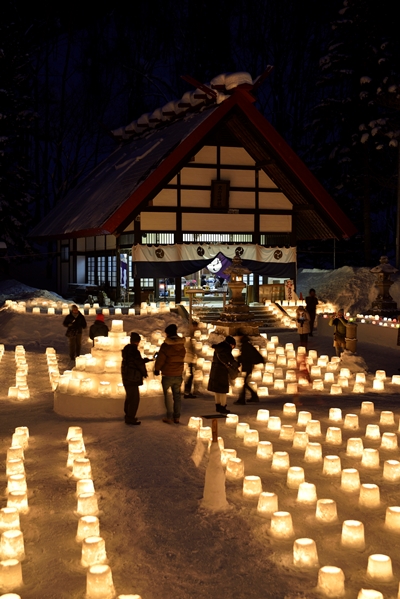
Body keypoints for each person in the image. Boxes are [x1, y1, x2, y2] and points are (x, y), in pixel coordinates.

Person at [154, 323, 186, 424]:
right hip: (178, 373)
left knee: (167, 395)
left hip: (167, 374)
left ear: (167, 334)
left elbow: (160, 359)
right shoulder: (181, 345)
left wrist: (157, 369)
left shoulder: (166, 346)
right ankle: (177, 417)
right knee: (177, 396)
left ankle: (169, 416)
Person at [121, 332, 150, 425]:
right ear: (138, 341)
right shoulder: (134, 351)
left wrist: (143, 360)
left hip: (126, 377)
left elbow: (133, 362)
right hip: (132, 377)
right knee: (134, 399)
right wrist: (144, 373)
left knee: (129, 397)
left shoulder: (126, 350)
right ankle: (130, 418)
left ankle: (128, 415)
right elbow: (138, 363)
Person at [208, 335, 239, 414]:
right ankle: (223, 406)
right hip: (222, 371)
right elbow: (230, 359)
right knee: (223, 390)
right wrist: (237, 365)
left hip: (215, 369)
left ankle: (218, 406)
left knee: (217, 390)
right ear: (231, 344)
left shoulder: (218, 348)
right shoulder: (226, 348)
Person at [234, 334, 264, 404]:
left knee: (245, 384)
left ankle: (243, 399)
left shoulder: (246, 346)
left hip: (247, 366)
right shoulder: (246, 345)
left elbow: (246, 357)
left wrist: (239, 359)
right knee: (245, 383)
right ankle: (253, 396)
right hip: (247, 365)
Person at [184, 321, 199, 398]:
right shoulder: (189, 335)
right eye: (195, 326)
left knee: (190, 375)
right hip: (189, 358)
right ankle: (187, 392)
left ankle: (187, 391)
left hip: (189, 358)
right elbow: (189, 347)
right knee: (190, 375)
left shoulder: (191, 334)